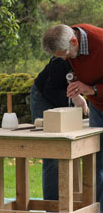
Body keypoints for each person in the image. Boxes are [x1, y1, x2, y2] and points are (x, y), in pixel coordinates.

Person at [42, 23, 103, 213]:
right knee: (97, 164)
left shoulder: (100, 43)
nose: (67, 60)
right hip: (98, 106)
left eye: (66, 55)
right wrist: (78, 84)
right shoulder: (71, 46)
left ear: (74, 42)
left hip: (98, 97)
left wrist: (92, 89)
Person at [30, 56, 88, 201]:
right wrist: (75, 99)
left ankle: (74, 201)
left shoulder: (94, 57)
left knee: (74, 145)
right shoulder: (60, 60)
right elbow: (51, 90)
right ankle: (53, 206)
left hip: (66, 92)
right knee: (52, 152)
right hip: (44, 96)